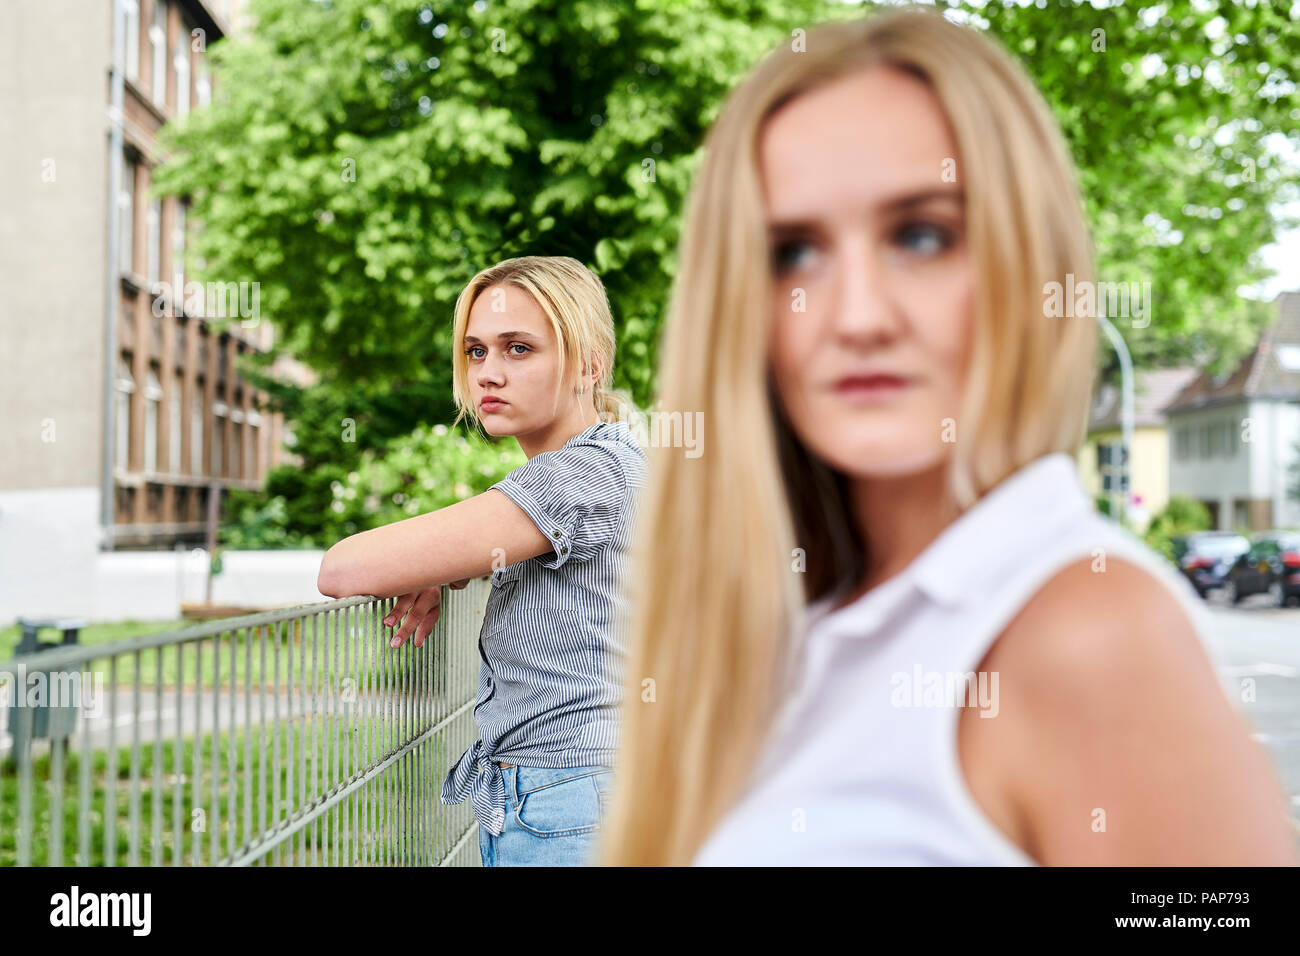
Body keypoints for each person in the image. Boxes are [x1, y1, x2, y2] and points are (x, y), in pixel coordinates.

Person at [596, 9, 1296, 865]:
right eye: (791, 253)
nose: (855, 316)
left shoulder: (1095, 635)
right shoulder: (791, 628)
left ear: (1027, 261)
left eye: (920, 235)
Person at [318, 255, 647, 866]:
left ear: (589, 364)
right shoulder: (604, 462)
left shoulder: (582, 473)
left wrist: (432, 565)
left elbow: (341, 569)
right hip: (574, 796)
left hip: (568, 804)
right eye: (475, 351)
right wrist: (444, 567)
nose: (489, 373)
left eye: (518, 349)